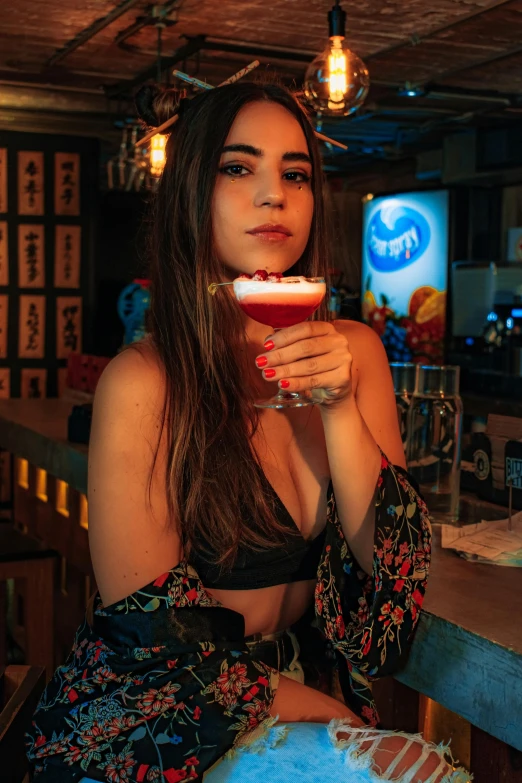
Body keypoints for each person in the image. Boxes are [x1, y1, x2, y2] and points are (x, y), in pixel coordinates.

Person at [26, 80, 440, 782]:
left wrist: (338, 406)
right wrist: (334, 719)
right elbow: (152, 641)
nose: (273, 194)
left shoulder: (356, 352)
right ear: (193, 192)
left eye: (295, 174)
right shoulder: (146, 380)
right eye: (238, 167)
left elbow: (396, 575)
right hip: (162, 720)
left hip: (301, 703)